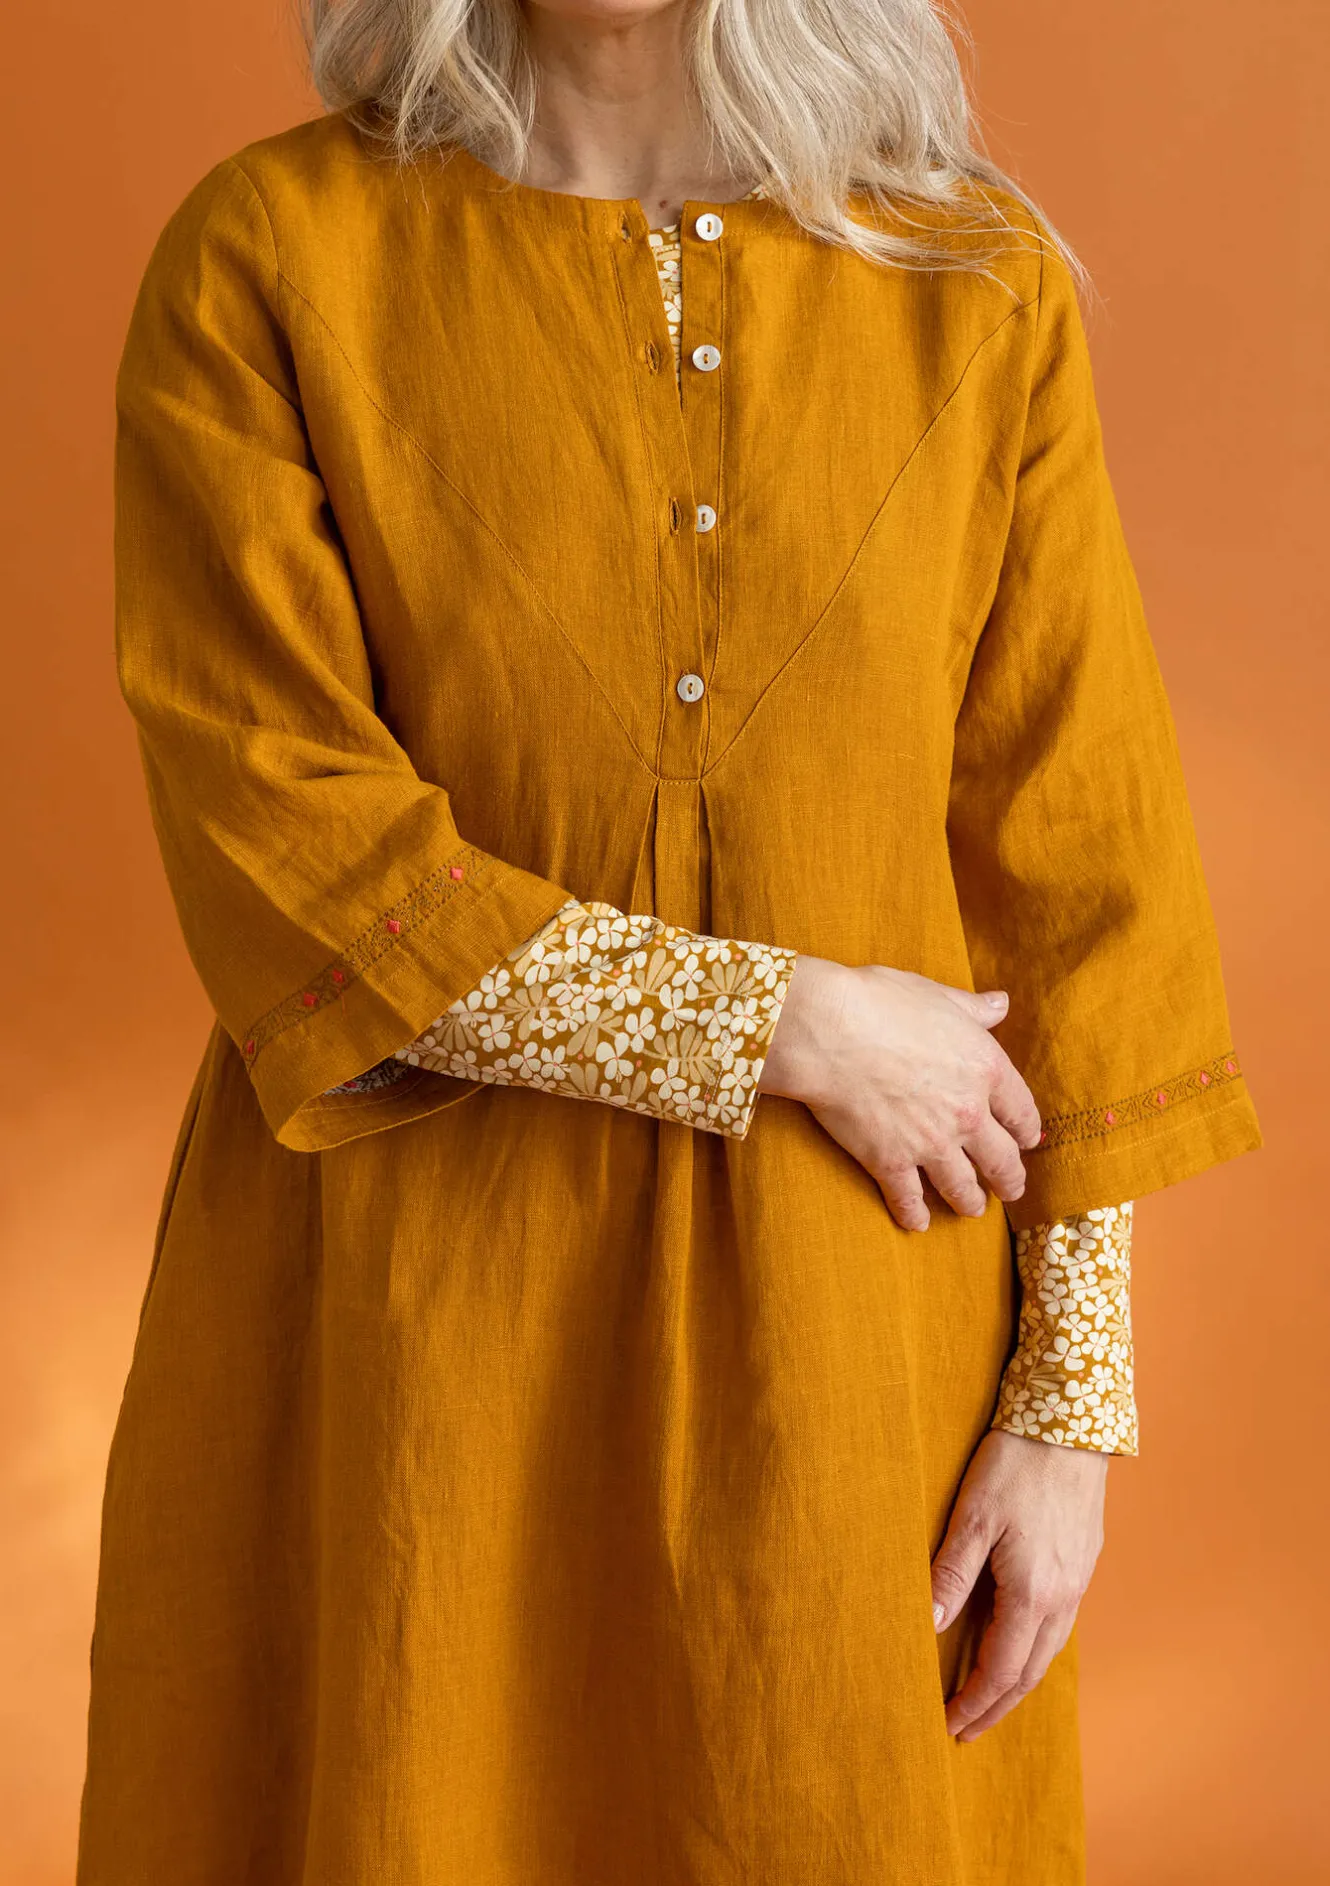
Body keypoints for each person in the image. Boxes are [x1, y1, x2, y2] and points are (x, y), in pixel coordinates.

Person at [76, 2, 1262, 1881]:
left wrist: (1069, 1406)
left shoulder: (968, 280)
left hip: (849, 1348)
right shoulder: (273, 255)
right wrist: (777, 1023)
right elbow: (287, 829)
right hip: (410, 1331)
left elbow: (1082, 868)